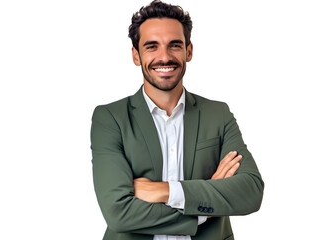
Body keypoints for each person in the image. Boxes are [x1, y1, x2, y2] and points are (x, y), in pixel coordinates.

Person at [91, 1, 264, 239]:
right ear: (135, 55)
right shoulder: (110, 119)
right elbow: (118, 213)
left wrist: (166, 191)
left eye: (174, 45)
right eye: (152, 46)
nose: (164, 57)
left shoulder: (218, 114)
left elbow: (251, 192)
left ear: (188, 51)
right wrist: (205, 208)